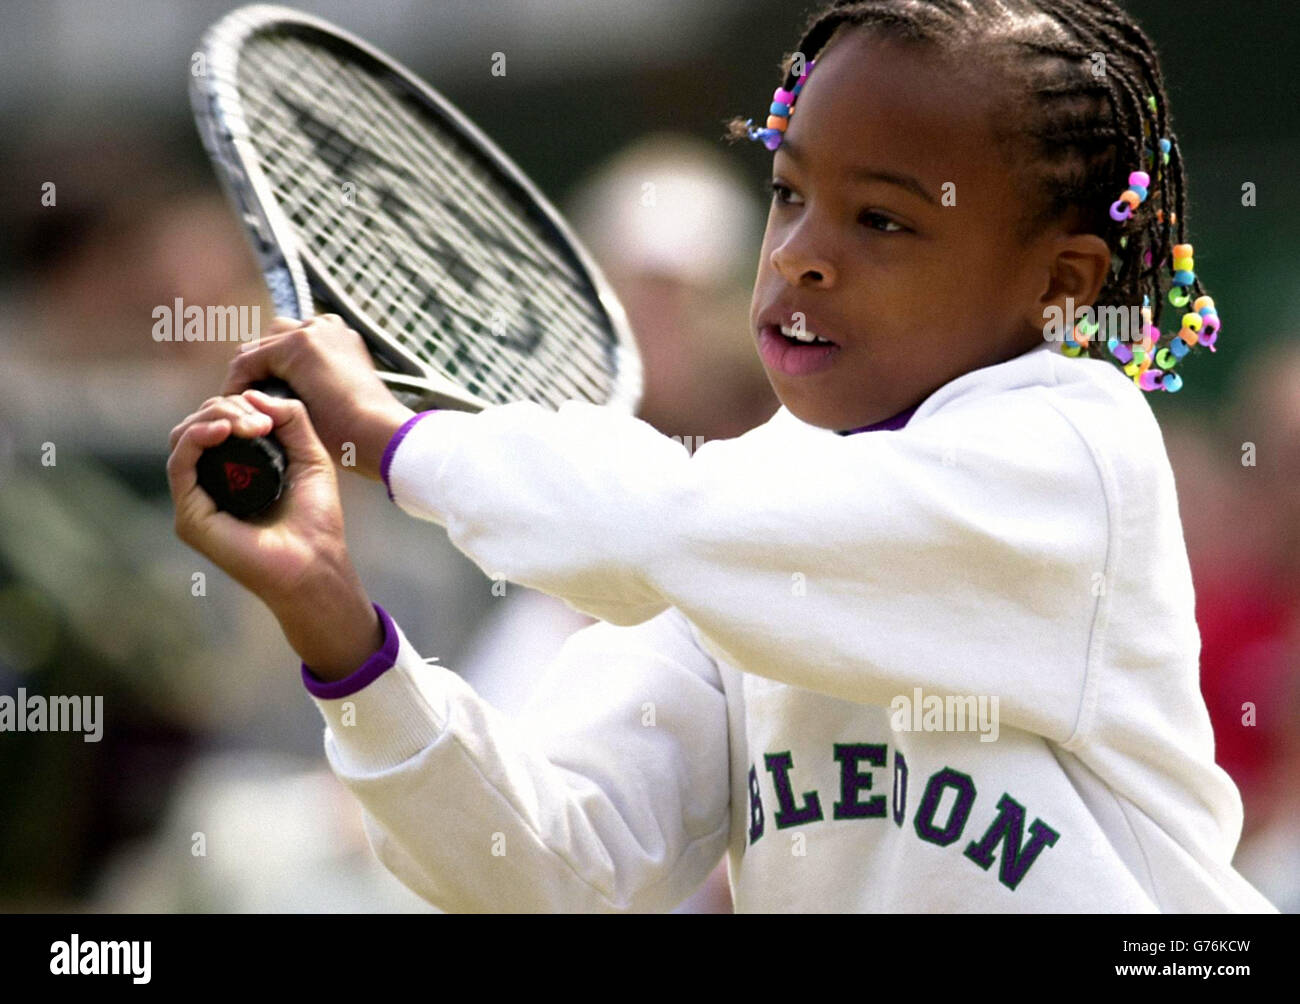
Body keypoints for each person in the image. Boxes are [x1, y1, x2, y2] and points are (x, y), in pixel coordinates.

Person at [167, 0, 1276, 912]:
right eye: (789, 193)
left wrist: (399, 439)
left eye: (881, 221)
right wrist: (341, 634)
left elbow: (666, 525)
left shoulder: (1071, 449)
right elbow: (552, 869)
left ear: (1063, 283)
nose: (800, 257)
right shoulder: (743, 531)